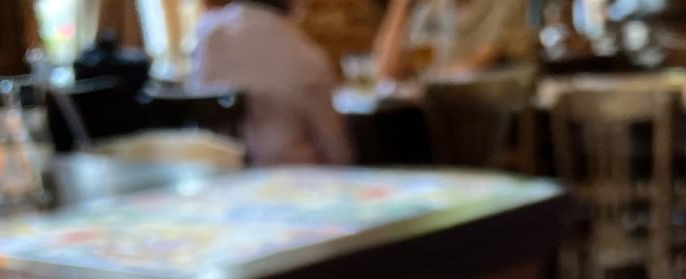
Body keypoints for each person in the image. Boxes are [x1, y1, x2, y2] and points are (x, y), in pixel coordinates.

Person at [189, 0, 350, 166]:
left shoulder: (206, 35)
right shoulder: (306, 57)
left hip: (215, 172)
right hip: (289, 174)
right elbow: (336, 150)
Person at [373, 0, 531, 80]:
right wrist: (401, 5)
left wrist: (427, 81)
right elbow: (389, 70)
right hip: (438, 118)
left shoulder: (507, 4)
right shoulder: (434, 8)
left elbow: (481, 63)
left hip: (492, 119)